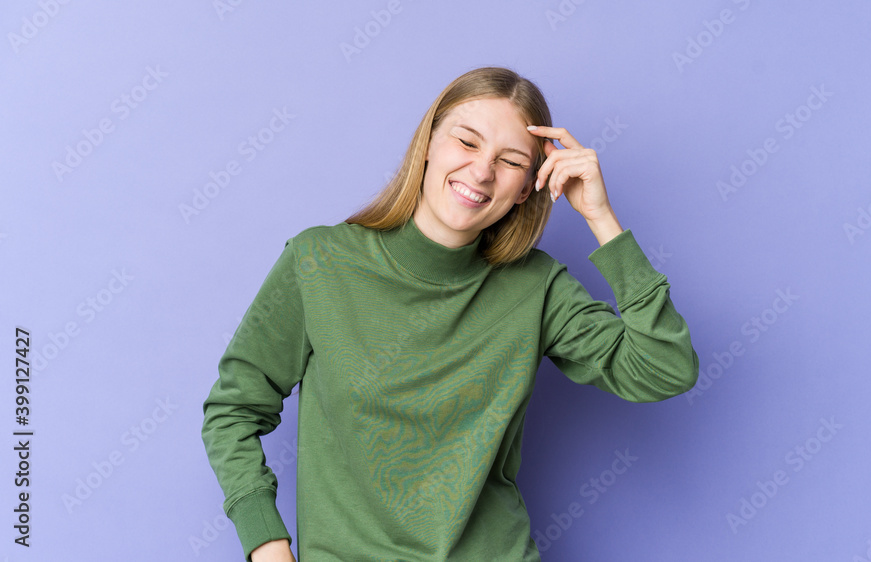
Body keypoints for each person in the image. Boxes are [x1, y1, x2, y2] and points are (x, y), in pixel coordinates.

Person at [201, 66, 699, 562]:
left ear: (527, 187)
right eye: (467, 142)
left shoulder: (537, 287)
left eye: (510, 161)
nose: (482, 171)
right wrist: (267, 545)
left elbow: (665, 370)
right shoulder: (319, 262)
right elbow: (233, 410)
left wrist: (600, 217)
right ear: (428, 144)